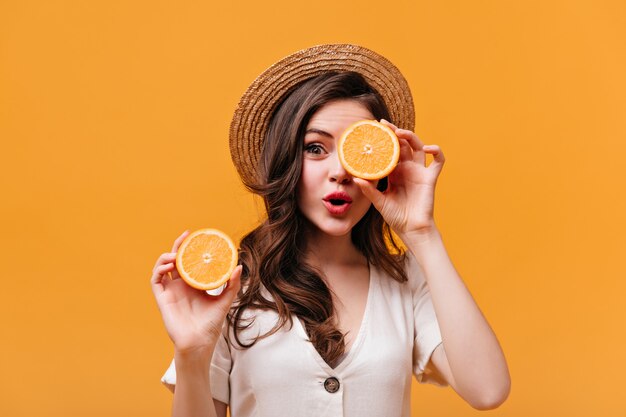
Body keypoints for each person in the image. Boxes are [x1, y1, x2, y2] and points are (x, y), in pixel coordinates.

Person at [151, 44, 511, 417]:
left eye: (356, 151)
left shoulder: (405, 281)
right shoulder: (230, 287)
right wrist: (191, 353)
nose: (339, 172)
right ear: (286, 160)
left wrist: (422, 232)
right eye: (316, 149)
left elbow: (487, 390)